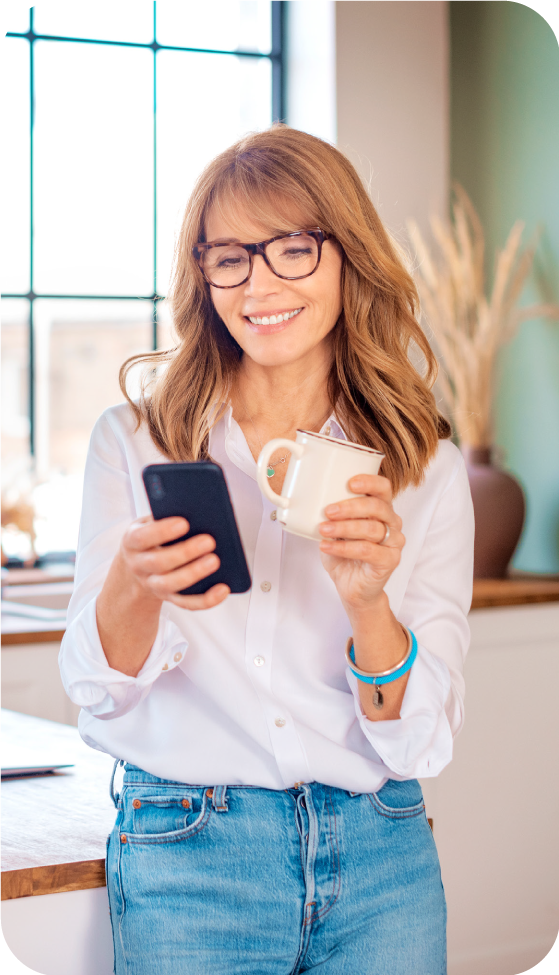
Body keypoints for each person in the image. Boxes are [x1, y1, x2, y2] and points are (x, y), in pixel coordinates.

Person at [59, 125, 474, 974]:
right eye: (230, 257)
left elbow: (419, 740)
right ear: (202, 274)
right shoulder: (136, 441)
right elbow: (95, 689)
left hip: (379, 855)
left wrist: (368, 600)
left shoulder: (422, 463)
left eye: (292, 248)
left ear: (346, 254)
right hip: (189, 851)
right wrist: (136, 586)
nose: (261, 284)